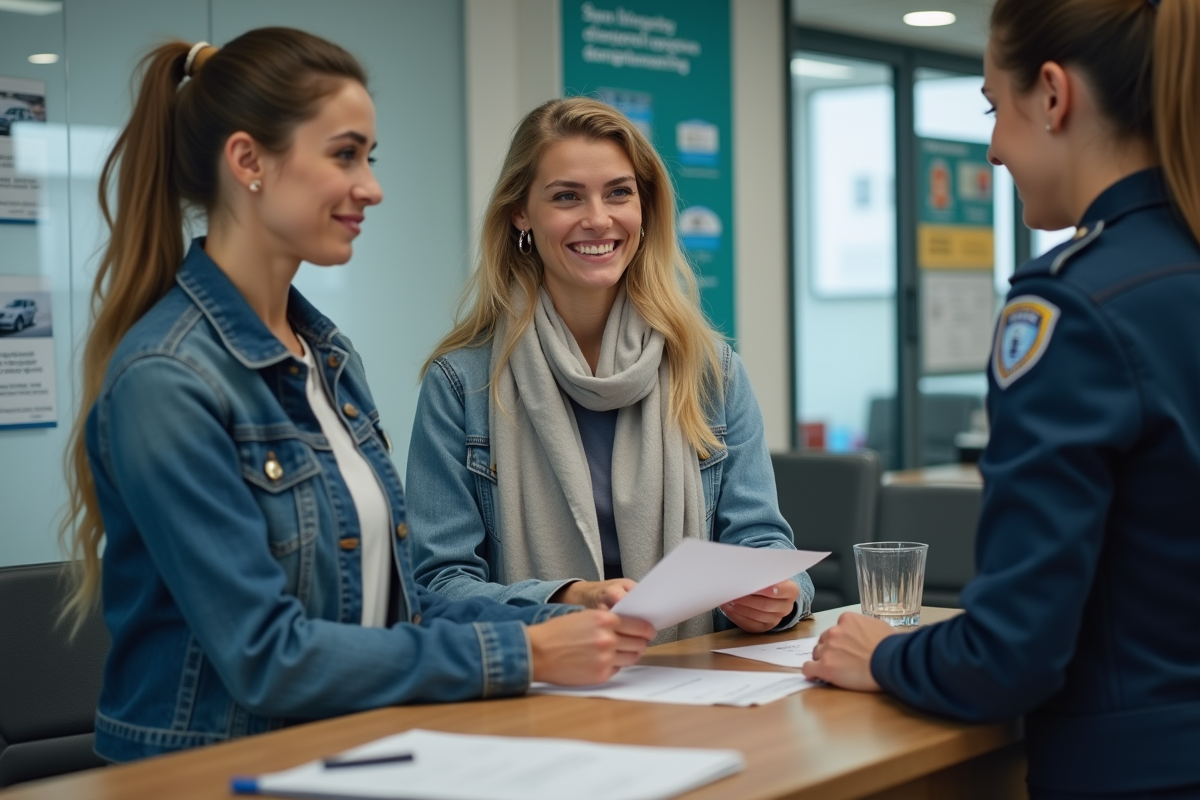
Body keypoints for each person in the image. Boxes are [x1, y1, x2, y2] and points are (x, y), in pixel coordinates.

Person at [59, 28, 654, 763]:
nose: (370, 186)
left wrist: (553, 610)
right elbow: (267, 654)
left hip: (346, 753)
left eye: (370, 158)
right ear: (248, 161)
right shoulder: (168, 378)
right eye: (344, 155)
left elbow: (388, 605)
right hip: (210, 770)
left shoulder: (326, 357)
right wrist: (526, 654)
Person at [802, 0, 1200, 797]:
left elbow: (1009, 656)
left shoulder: (1073, 312)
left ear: (1053, 96)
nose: (990, 151)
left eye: (993, 108)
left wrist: (879, 653)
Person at [405, 97, 814, 642]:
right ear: (520, 214)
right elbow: (436, 586)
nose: (598, 219)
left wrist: (778, 596)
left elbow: (765, 544)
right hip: (536, 694)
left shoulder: (710, 371)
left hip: (692, 687)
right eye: (567, 196)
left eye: (619, 193)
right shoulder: (461, 386)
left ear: (645, 208)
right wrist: (568, 598)